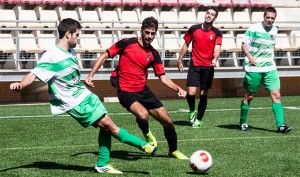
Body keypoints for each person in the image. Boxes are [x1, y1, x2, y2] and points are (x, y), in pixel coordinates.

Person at [9, 18, 157, 174]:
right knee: (109, 126)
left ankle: (102, 164)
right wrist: (20, 84)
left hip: (86, 95)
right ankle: (144, 146)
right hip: (75, 102)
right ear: (68, 34)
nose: (78, 39)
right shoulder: (51, 55)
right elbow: (33, 74)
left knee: (106, 128)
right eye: (77, 35)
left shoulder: (71, 52)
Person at [85, 16, 189, 160]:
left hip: (143, 91)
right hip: (126, 91)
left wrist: (178, 89)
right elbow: (105, 55)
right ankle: (147, 134)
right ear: (141, 31)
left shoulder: (154, 54)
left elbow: (163, 77)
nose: (149, 36)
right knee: (143, 115)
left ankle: (173, 151)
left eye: (153, 34)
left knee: (168, 122)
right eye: (147, 32)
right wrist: (91, 75)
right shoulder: (127, 43)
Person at [239, 7, 291, 133]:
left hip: (270, 68)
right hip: (254, 67)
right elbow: (244, 45)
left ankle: (281, 126)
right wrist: (250, 57)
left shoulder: (274, 30)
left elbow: (271, 46)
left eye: (272, 18)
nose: (270, 20)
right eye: (268, 17)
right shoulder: (253, 29)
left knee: (276, 95)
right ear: (264, 17)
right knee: (249, 96)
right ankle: (243, 122)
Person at [177, 7, 222, 128]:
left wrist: (215, 59)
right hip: (195, 65)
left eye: (212, 14)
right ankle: (192, 110)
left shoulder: (217, 33)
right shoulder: (194, 29)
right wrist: (180, 60)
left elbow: (217, 48)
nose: (209, 16)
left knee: (203, 94)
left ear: (215, 18)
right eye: (208, 13)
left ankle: (199, 119)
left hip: (208, 67)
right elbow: (186, 44)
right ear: (205, 14)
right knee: (191, 93)